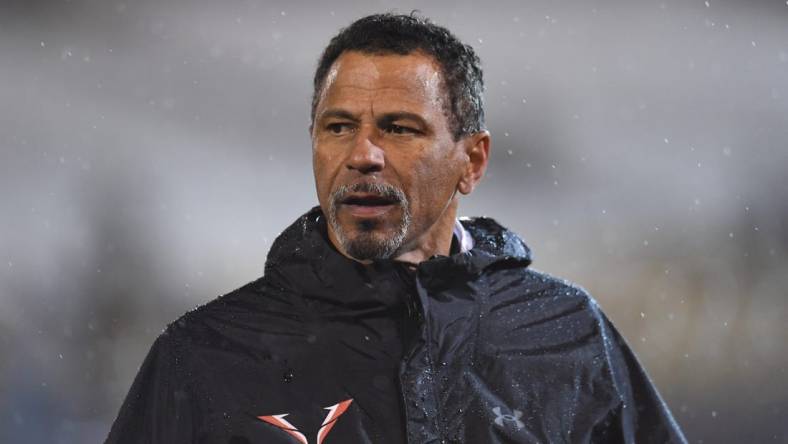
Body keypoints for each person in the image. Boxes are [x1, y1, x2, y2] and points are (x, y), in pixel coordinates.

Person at [105, 13, 687, 444]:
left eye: (399, 128)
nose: (363, 154)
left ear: (472, 162)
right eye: (338, 127)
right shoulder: (207, 355)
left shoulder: (566, 334)